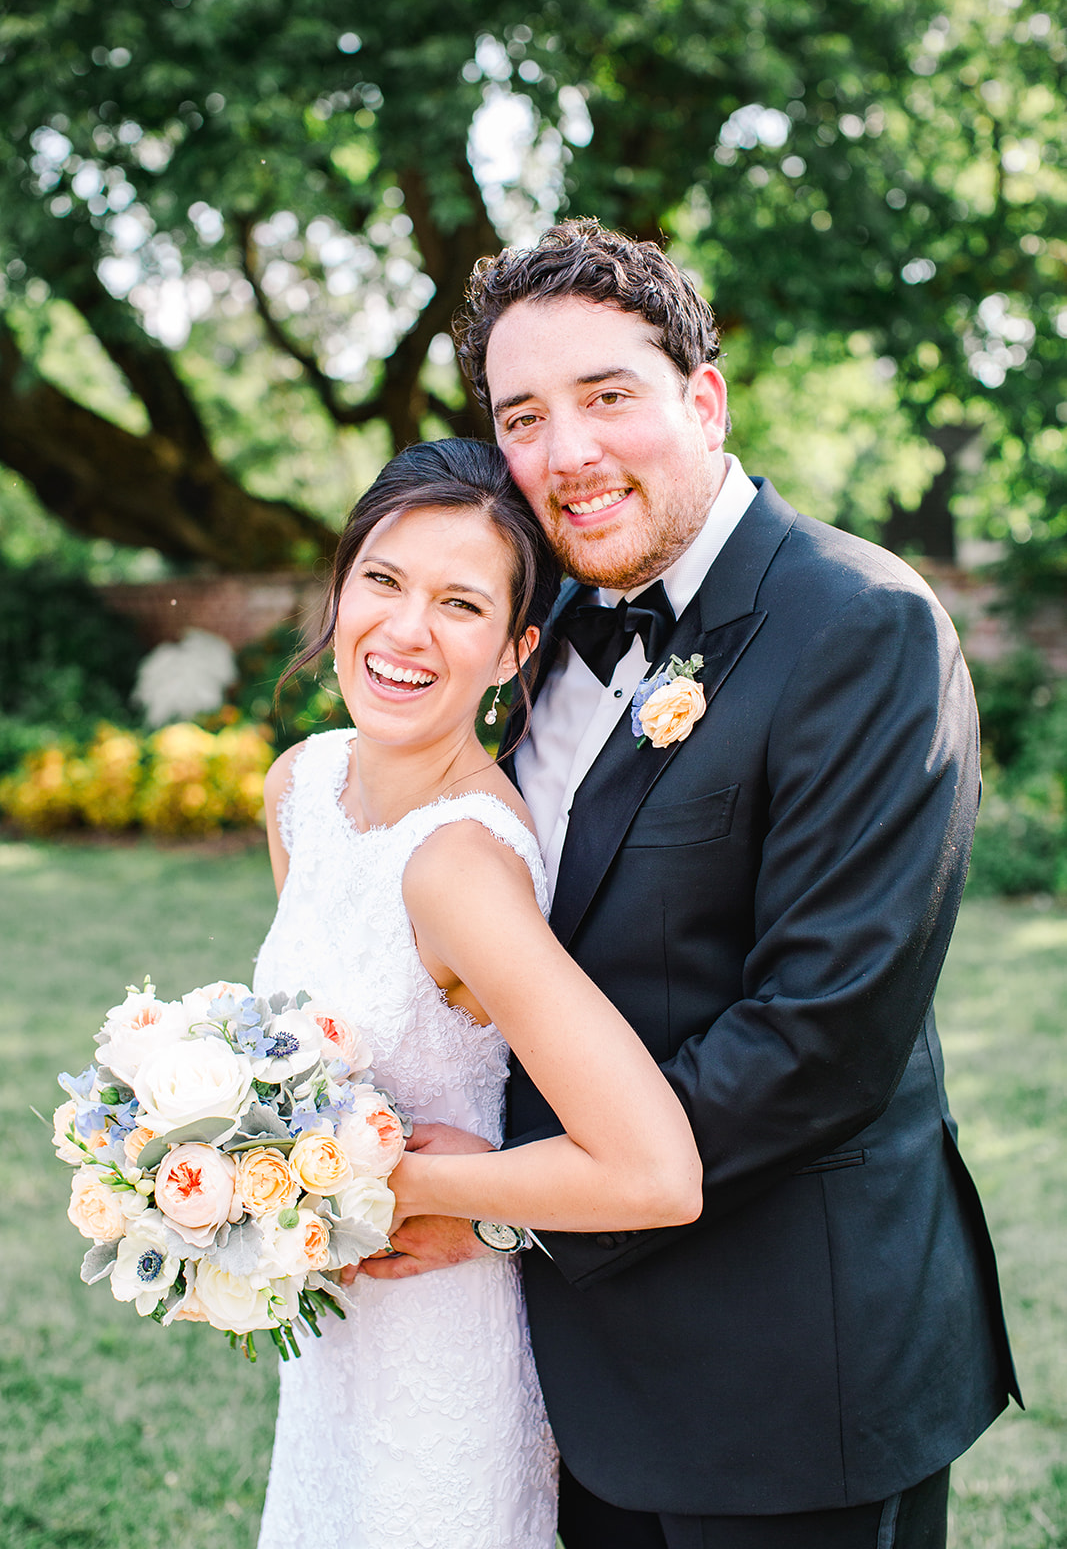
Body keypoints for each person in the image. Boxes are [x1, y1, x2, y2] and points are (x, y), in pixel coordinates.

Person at [361, 221, 1021, 1549]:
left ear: (702, 399)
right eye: (523, 418)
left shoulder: (862, 625)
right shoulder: (530, 629)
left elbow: (818, 1037)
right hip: (559, 1387)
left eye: (606, 395)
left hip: (791, 1379)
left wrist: (504, 1203)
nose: (566, 452)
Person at [252, 436, 703, 1549]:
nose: (406, 630)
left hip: (440, 1358)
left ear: (513, 650)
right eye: (384, 580)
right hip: (336, 1338)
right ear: (340, 589)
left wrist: (398, 1185)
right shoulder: (301, 785)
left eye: (460, 604)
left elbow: (653, 1170)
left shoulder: (458, 866)